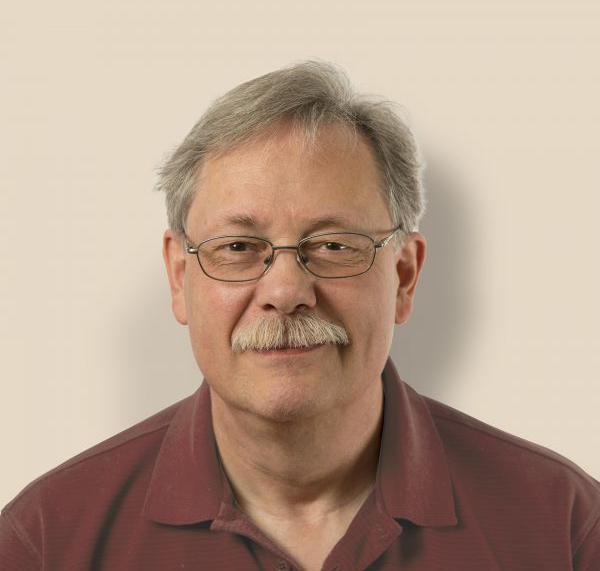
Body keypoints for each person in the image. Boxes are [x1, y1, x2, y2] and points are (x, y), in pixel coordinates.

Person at [1, 61, 598, 571]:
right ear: (179, 278)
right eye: (238, 247)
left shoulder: (563, 527)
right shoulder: (48, 540)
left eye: (334, 245)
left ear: (404, 276)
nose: (286, 290)